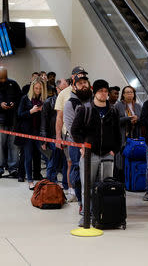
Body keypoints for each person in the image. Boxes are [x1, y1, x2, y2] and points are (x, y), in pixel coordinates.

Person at [71, 79, 121, 226]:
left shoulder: (113, 111)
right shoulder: (85, 109)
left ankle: (104, 215)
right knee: (88, 186)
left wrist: (114, 150)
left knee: (106, 186)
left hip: (107, 154)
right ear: (95, 92)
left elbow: (118, 134)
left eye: (106, 91)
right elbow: (75, 130)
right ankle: (87, 215)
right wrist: (82, 146)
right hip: (89, 154)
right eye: (101, 91)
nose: (104, 94)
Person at [55, 67, 88, 202]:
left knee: (84, 167)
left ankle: (82, 194)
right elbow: (59, 117)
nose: (83, 83)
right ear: (73, 79)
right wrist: (58, 137)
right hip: (71, 136)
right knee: (72, 164)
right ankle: (73, 191)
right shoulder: (64, 94)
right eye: (78, 78)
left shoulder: (89, 95)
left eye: (84, 80)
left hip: (87, 138)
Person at [63, 68, 92, 207]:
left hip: (91, 143)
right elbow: (71, 128)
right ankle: (81, 203)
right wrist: (81, 144)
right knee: (78, 172)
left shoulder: (93, 101)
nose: (83, 85)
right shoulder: (71, 103)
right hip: (76, 145)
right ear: (74, 86)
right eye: (80, 83)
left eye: (85, 82)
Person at [18, 78, 47, 189]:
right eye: (36, 88)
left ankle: (49, 178)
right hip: (27, 132)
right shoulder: (25, 99)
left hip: (39, 132)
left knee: (46, 154)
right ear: (32, 88)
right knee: (28, 156)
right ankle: (30, 180)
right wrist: (31, 111)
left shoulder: (44, 100)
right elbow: (20, 114)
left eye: (40, 88)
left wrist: (42, 110)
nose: (38, 90)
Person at [41, 78, 69, 186]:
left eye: (67, 89)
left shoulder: (69, 101)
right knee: (52, 162)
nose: (65, 92)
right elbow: (43, 121)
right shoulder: (49, 102)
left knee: (66, 162)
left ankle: (66, 185)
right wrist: (44, 139)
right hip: (52, 136)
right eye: (62, 89)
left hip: (66, 136)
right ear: (57, 89)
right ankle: (50, 185)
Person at [114, 86, 142, 182]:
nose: (130, 94)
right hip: (122, 136)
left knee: (133, 158)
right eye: (127, 92)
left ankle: (132, 179)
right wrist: (129, 118)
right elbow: (115, 121)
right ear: (123, 94)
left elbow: (142, 119)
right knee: (121, 158)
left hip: (135, 136)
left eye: (131, 92)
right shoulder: (118, 106)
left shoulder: (138, 106)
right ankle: (120, 180)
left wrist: (137, 119)